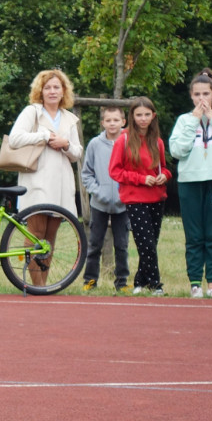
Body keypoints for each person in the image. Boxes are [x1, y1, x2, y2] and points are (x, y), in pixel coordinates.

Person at [169, 68, 212, 299]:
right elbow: (177, 150)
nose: (201, 99)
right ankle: (195, 284)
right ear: (191, 96)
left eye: (205, 94)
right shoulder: (184, 120)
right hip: (190, 181)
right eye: (197, 94)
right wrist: (194, 121)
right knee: (194, 235)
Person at [8, 69, 83, 286]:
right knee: (36, 234)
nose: (52, 91)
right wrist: (44, 135)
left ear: (63, 91)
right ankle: (35, 285)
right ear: (40, 91)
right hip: (37, 182)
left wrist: (65, 144)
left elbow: (77, 153)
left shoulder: (70, 118)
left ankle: (45, 285)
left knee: (50, 239)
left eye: (56, 87)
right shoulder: (33, 112)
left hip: (61, 184)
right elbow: (15, 138)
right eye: (47, 87)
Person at [109, 97, 171, 295]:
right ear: (132, 117)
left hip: (156, 197)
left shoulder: (158, 142)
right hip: (135, 198)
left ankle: (139, 282)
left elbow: (164, 168)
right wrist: (141, 179)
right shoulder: (123, 140)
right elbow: (114, 171)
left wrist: (164, 176)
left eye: (147, 115)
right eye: (139, 115)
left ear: (153, 116)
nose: (143, 119)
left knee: (150, 244)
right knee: (146, 243)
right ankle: (155, 285)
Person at [80, 106, 130, 292]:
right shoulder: (95, 144)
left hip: (123, 204)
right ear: (102, 123)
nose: (112, 124)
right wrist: (97, 191)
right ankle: (90, 281)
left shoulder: (129, 142)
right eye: (108, 120)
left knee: (122, 245)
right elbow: (87, 174)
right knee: (94, 244)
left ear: (123, 122)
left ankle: (122, 282)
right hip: (99, 204)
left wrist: (125, 193)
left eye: (116, 120)